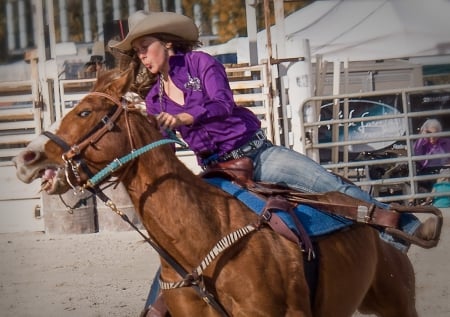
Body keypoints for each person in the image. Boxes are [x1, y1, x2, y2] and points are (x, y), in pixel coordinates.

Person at [110, 10, 438, 316]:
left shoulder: (199, 64)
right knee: (182, 233)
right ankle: (157, 308)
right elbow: (158, 142)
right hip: (216, 171)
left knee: (329, 185)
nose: (141, 56)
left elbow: (223, 103)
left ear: (166, 43)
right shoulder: (154, 99)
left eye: (144, 47)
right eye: (137, 51)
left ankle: (403, 226)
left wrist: (184, 115)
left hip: (257, 154)